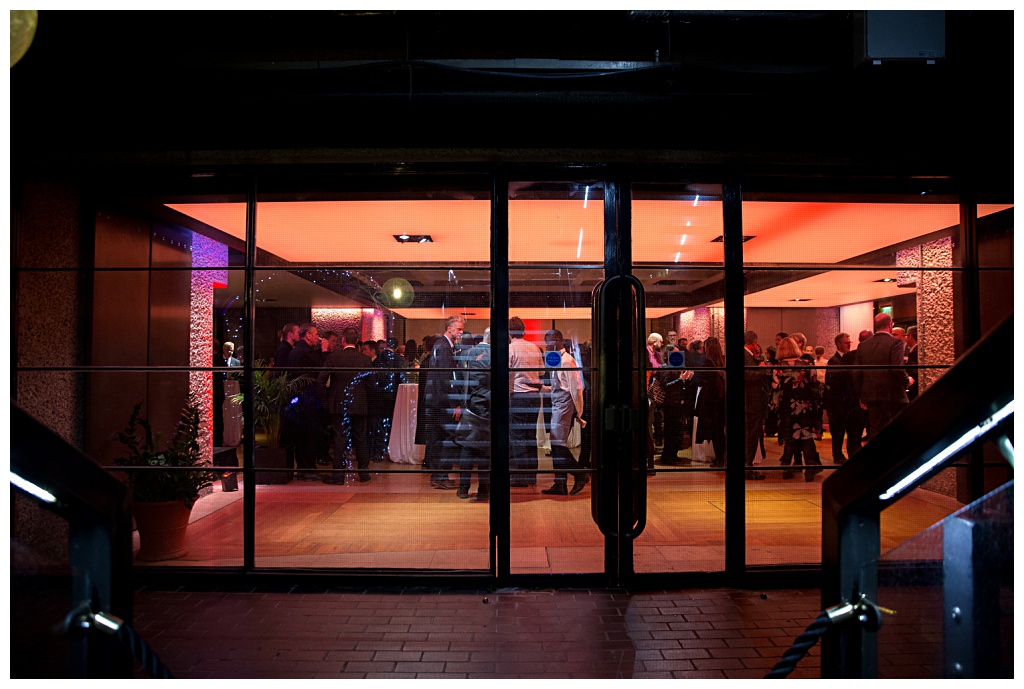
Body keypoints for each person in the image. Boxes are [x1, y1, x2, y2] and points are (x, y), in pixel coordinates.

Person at [318, 327, 372, 483]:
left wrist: (327, 398)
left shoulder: (334, 358)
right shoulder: (365, 360)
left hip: (339, 403)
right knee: (361, 438)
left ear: (343, 340)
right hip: (359, 404)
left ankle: (339, 475)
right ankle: (364, 473)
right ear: (356, 342)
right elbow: (371, 384)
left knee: (339, 439)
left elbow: (321, 380)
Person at [417, 316, 465, 490]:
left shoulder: (441, 345)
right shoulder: (444, 347)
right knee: (448, 438)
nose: (461, 332)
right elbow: (446, 379)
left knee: (438, 439)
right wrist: (455, 404)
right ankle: (441, 476)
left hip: (436, 402)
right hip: (442, 403)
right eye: (459, 329)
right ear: (449, 328)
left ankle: (438, 476)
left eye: (461, 329)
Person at [540, 330, 588, 496]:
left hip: (564, 405)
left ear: (558, 340)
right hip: (559, 404)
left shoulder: (567, 361)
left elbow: (576, 388)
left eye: (549, 341)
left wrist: (578, 411)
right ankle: (560, 484)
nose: (547, 345)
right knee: (556, 444)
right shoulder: (558, 360)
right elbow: (559, 386)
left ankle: (579, 474)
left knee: (558, 445)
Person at [771, 337, 824, 481]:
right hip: (806, 406)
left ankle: (786, 467)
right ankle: (810, 468)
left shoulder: (778, 368)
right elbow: (815, 385)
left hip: (787, 407)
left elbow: (776, 389)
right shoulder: (807, 364)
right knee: (806, 436)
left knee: (790, 437)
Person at [854, 312, 911, 442]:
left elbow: (857, 372)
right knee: (894, 430)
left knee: (875, 430)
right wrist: (907, 380)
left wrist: (861, 395)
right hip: (892, 395)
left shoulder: (863, 346)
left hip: (871, 396)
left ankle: (877, 459)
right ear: (890, 324)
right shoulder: (895, 343)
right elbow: (897, 368)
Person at [508, 316, 546, 487]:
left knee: (517, 437)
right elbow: (542, 372)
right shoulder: (535, 348)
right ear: (523, 330)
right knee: (531, 436)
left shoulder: (510, 349)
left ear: (509, 332)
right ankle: (532, 475)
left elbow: (507, 375)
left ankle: (520, 476)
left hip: (518, 396)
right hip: (534, 397)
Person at [456, 327, 492, 501]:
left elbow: (461, 378)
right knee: (486, 450)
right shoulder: (496, 355)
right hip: (488, 406)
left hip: (470, 404)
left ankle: (463, 488)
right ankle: (484, 489)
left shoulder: (467, 354)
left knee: (468, 447)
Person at [286, 323, 323, 481]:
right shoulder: (307, 353)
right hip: (308, 400)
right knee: (309, 435)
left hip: (298, 400)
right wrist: (325, 352)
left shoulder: (295, 352)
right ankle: (309, 469)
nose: (318, 337)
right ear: (308, 335)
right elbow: (319, 370)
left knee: (300, 435)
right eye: (315, 334)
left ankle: (302, 468)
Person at [694, 337, 728, 471]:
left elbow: (701, 381)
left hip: (710, 402)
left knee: (715, 433)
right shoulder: (722, 361)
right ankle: (722, 458)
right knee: (721, 431)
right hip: (721, 401)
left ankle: (719, 459)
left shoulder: (708, 362)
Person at [657, 344, 694, 466]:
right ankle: (667, 456)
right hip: (670, 404)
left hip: (678, 403)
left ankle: (673, 454)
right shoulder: (665, 367)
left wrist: (687, 379)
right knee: (671, 430)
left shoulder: (677, 367)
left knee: (678, 430)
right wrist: (681, 379)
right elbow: (666, 386)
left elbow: (682, 387)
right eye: (675, 353)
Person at [824, 332, 855, 464]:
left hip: (849, 401)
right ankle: (837, 454)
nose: (848, 344)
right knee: (838, 430)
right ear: (838, 344)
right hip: (839, 402)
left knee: (850, 429)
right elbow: (832, 382)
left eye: (849, 342)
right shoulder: (834, 361)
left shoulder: (851, 359)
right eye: (846, 342)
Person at [742, 331, 769, 480]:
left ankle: (747, 466)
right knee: (750, 435)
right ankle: (747, 467)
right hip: (750, 403)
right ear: (753, 343)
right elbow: (747, 376)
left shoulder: (748, 356)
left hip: (750, 403)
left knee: (750, 435)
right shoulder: (744, 356)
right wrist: (762, 368)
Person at [905, 325, 920, 401]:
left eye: (906, 336)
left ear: (910, 336)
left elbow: (913, 371)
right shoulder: (917, 350)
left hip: (914, 389)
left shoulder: (915, 352)